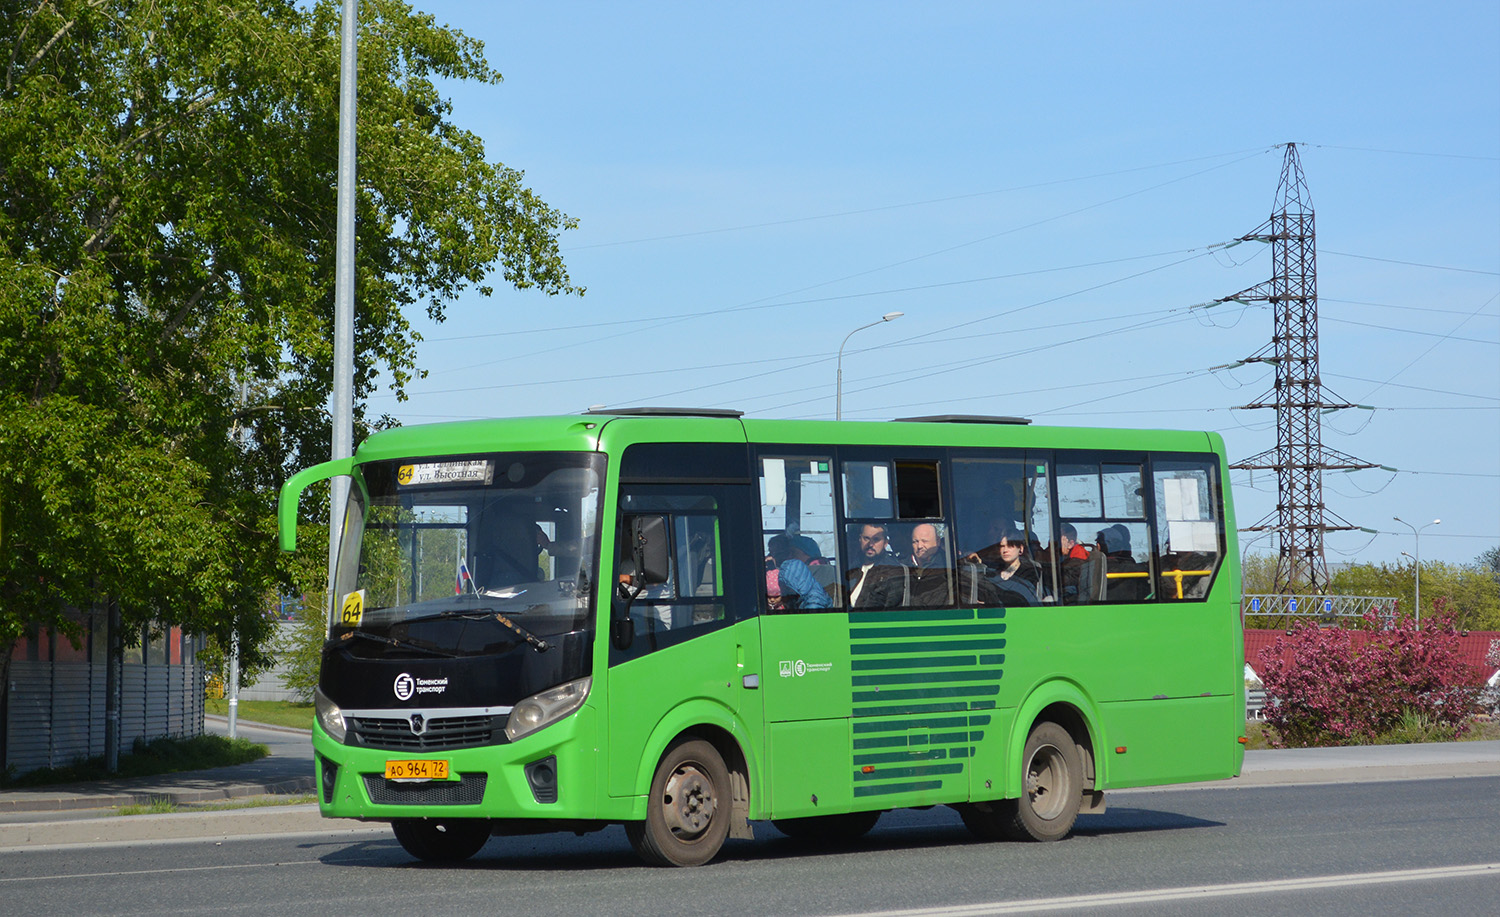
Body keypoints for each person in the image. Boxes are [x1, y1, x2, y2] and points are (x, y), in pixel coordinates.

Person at [766, 534, 832, 610]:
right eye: (772, 553)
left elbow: (814, 598)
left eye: (779, 553)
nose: (777, 557)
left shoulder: (793, 566)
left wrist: (811, 616)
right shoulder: (790, 569)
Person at [846, 523, 897, 607]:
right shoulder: (849, 568)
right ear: (860, 539)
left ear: (885, 543)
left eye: (876, 539)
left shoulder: (893, 571)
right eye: (866, 538)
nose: (870, 544)